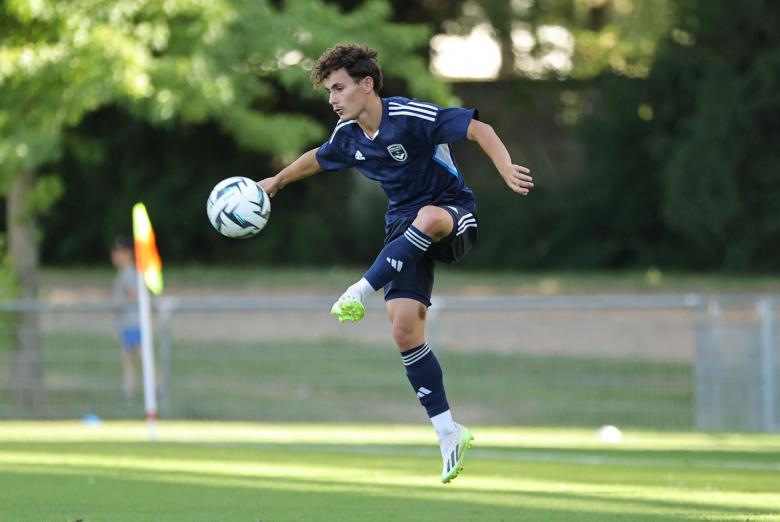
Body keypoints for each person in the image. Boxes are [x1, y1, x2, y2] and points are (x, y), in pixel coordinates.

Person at [259, 44, 533, 484]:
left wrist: (504, 169)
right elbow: (318, 158)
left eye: (339, 88)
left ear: (367, 85)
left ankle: (359, 289)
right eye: (329, 90)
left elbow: (477, 128)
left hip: (450, 211)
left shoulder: (409, 116)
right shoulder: (347, 136)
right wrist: (276, 180)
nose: (333, 99)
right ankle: (448, 432)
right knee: (404, 329)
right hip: (402, 229)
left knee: (427, 217)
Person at [111, 235, 142, 402]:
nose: (115, 256)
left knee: (141, 357)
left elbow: (132, 296)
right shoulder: (124, 273)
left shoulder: (129, 273)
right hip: (128, 324)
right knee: (129, 360)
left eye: (118, 252)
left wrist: (115, 307)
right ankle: (127, 391)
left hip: (133, 323)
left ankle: (158, 386)